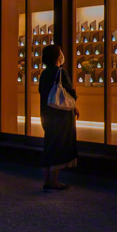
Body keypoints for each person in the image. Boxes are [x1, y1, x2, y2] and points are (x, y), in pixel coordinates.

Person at [38, 44, 78, 190]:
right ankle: (54, 181)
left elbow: (42, 92)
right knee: (58, 145)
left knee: (49, 144)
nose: (62, 55)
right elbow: (71, 93)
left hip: (46, 113)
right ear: (57, 56)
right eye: (60, 52)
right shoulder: (60, 72)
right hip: (60, 115)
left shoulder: (44, 73)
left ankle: (47, 180)